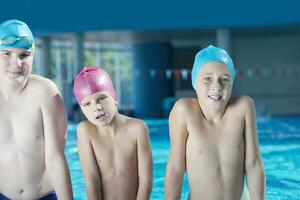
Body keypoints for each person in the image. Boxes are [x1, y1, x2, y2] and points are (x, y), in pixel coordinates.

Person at [164, 45, 266, 200]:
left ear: (232, 82)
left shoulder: (243, 107)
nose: (216, 87)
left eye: (224, 79)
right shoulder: (184, 111)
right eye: (207, 79)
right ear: (194, 82)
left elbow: (254, 164)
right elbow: (175, 168)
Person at [0, 19, 73, 200]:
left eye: (24, 55)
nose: (16, 63)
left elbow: (55, 159)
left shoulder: (45, 93)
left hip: (44, 196)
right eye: (7, 53)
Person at [74, 66, 153, 200]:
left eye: (102, 98)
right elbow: (92, 181)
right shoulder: (85, 131)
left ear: (114, 97)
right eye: (87, 104)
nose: (97, 107)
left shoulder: (137, 128)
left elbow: (146, 179)